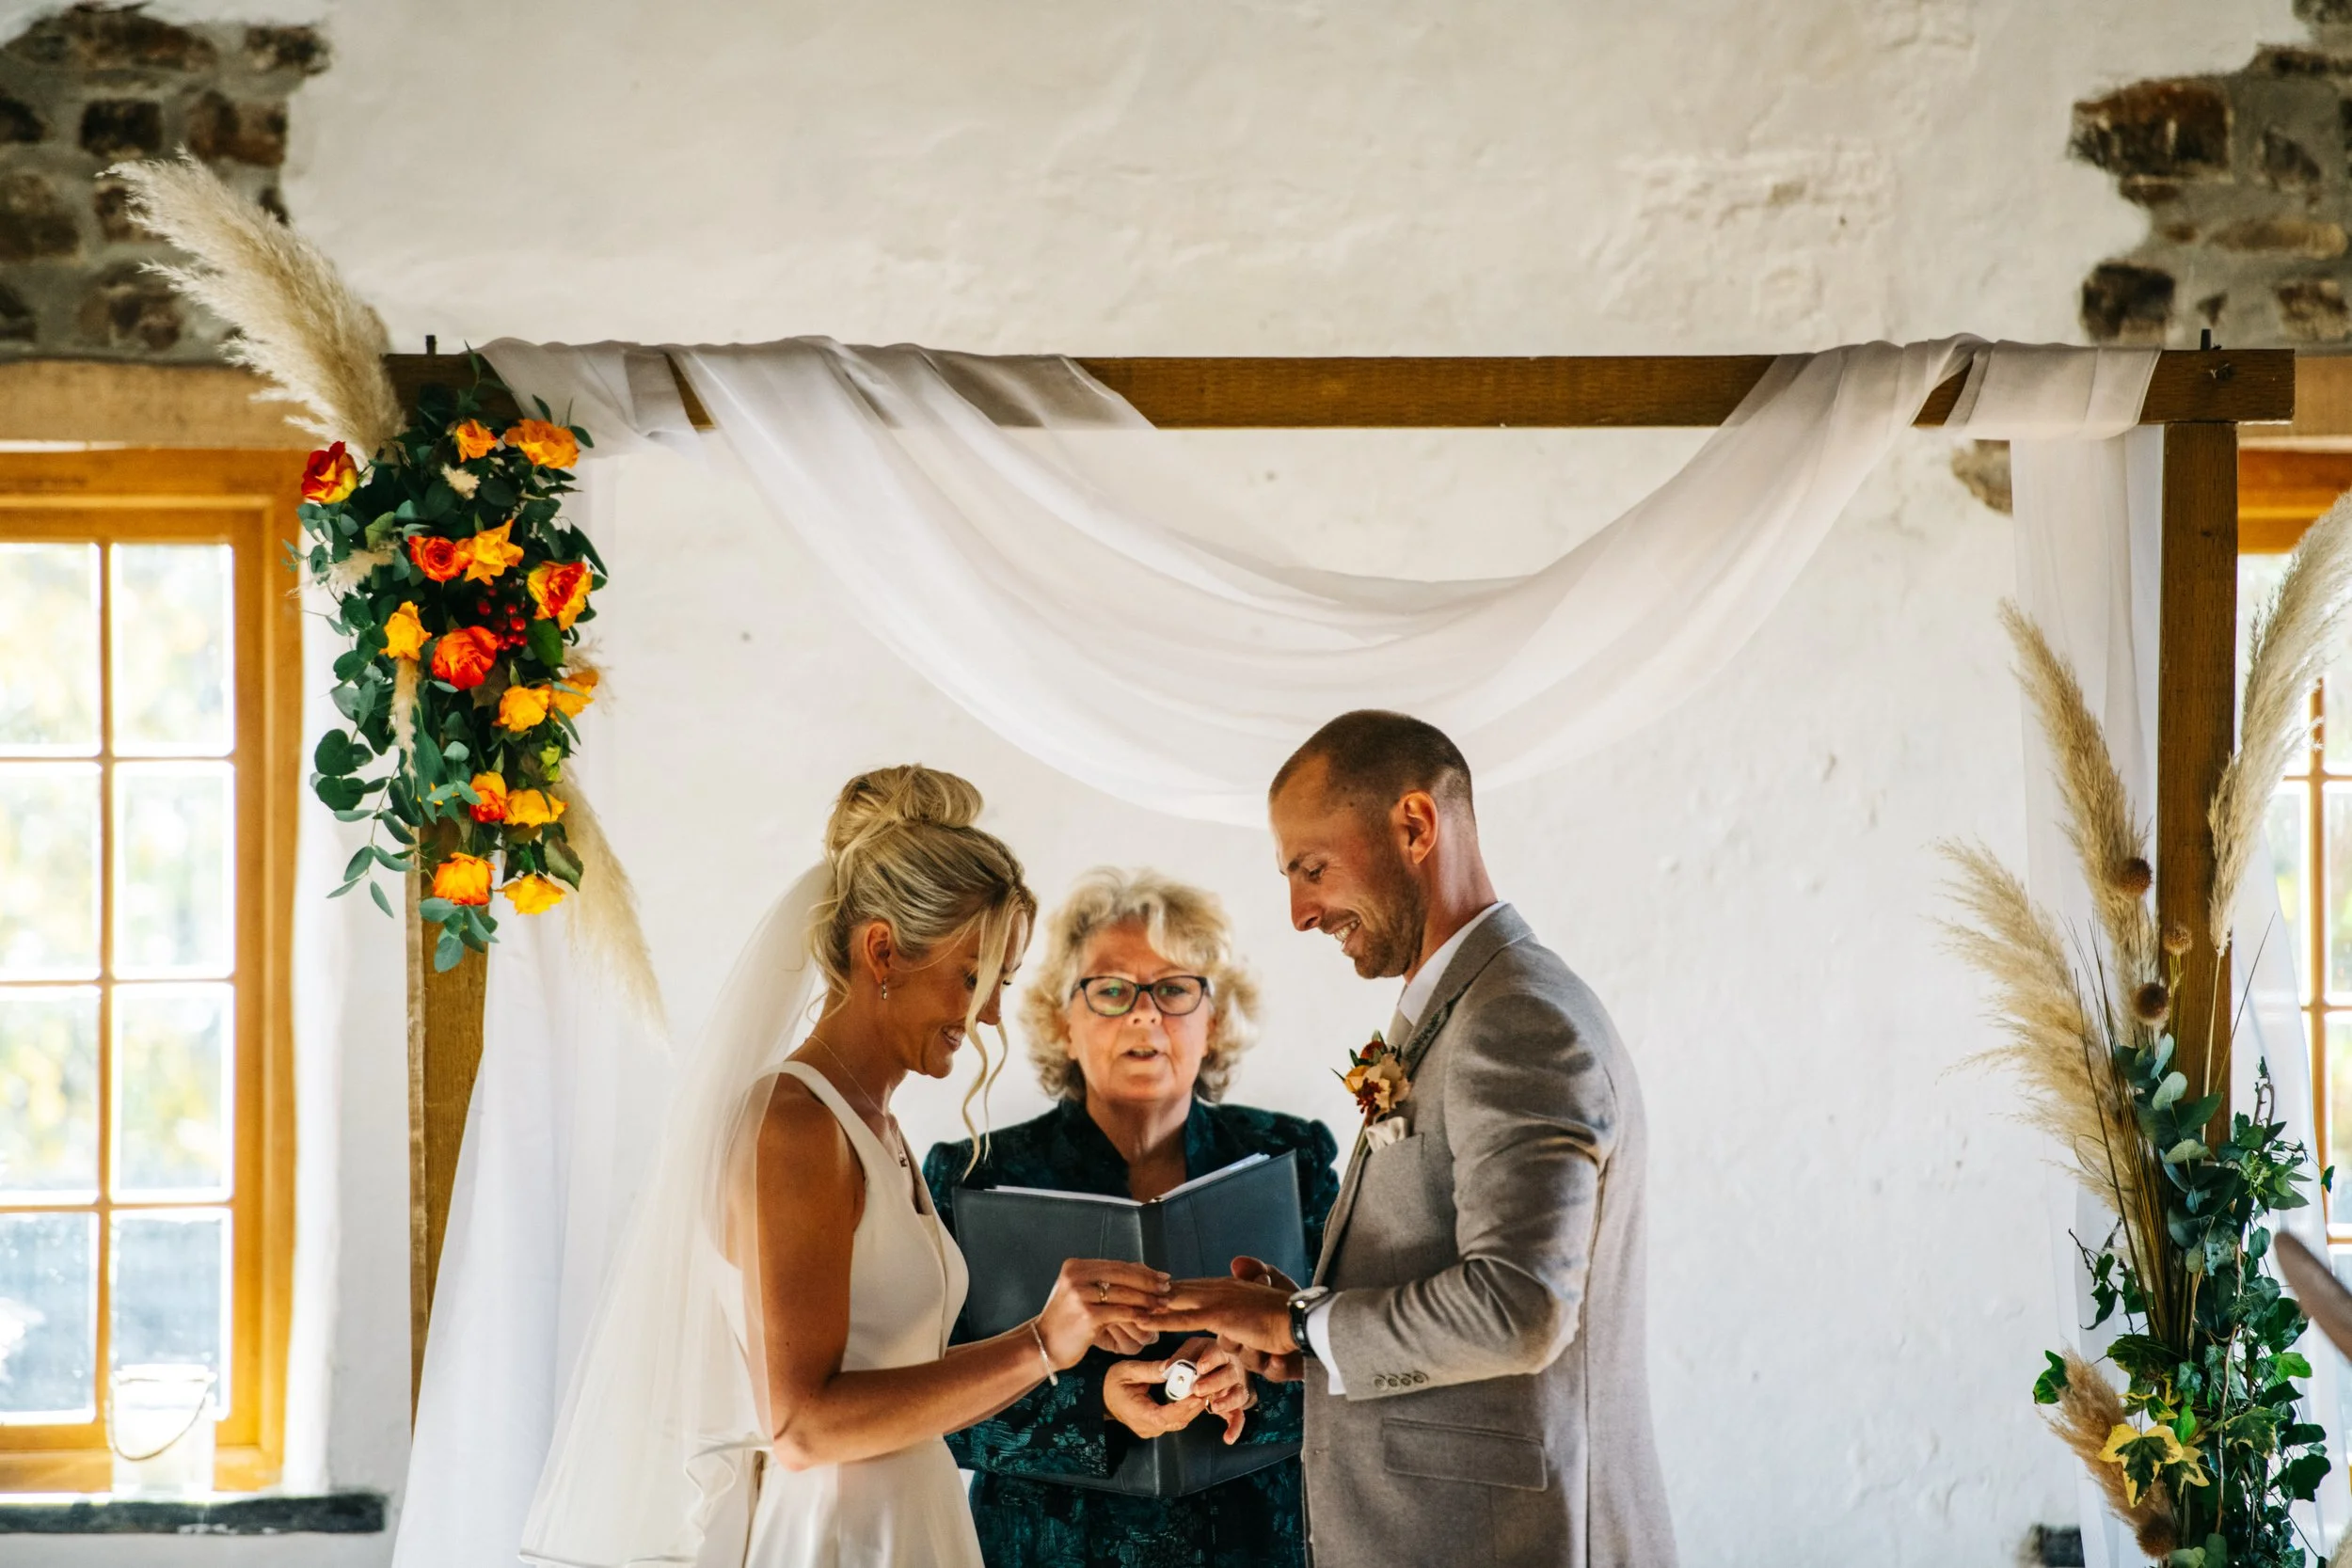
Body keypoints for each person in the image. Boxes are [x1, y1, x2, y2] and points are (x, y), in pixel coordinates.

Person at [521, 766, 1169, 1568]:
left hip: (911, 1522)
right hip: (840, 1539)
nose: (991, 1013)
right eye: (973, 979)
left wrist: (1067, 1339)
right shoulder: (795, 1125)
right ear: (883, 950)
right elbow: (802, 1425)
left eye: (998, 984)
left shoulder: (875, 1126)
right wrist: (1039, 1341)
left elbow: (901, 1374)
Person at [1152, 711, 1678, 1567]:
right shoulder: (1467, 1011)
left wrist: (1298, 1324)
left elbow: (1520, 1308)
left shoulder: (1517, 1020)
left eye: (1312, 868)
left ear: (1414, 825)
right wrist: (1312, 1336)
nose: (1298, 912)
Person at [925, 866, 1341, 1568]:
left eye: (1175, 988)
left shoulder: (1291, 1156)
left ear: (1214, 1017)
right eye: (1112, 990)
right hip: (1049, 1550)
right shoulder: (975, 1176)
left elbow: (1364, 1363)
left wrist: (1252, 1388)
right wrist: (1095, 1407)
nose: (1145, 1014)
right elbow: (929, 1409)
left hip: (1252, 1543)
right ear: (1064, 1018)